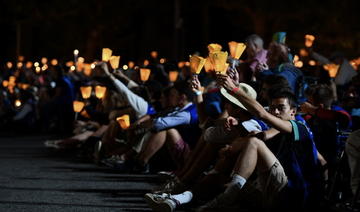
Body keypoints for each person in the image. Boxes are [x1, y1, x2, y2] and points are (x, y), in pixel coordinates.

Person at [145, 74, 320, 211]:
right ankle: (179, 198)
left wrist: (234, 89)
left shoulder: (298, 126)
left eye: (280, 108)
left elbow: (261, 118)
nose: (274, 111)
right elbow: (262, 134)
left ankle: (218, 194)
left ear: (293, 112)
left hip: (291, 194)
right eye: (272, 107)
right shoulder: (273, 126)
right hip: (268, 188)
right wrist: (236, 136)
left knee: (249, 144)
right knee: (221, 173)